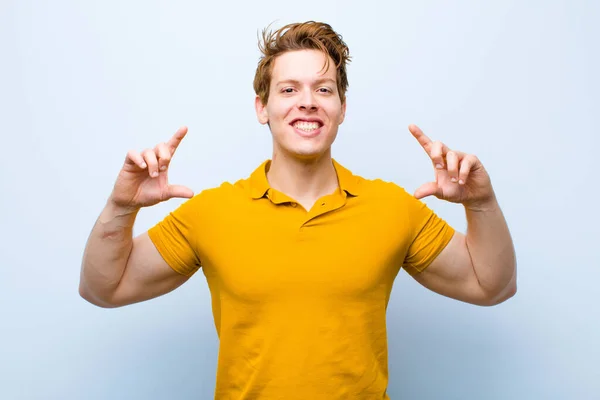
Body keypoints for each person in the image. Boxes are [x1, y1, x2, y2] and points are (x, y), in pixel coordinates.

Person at [79, 21, 516, 400]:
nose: (307, 102)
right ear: (261, 107)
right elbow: (104, 288)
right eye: (289, 89)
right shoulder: (211, 211)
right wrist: (121, 207)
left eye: (323, 89)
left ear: (341, 108)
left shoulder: (391, 208)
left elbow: (491, 285)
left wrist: (481, 203)